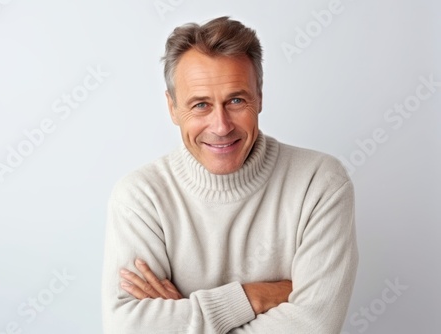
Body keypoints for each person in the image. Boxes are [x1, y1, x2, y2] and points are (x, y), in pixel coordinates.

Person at [102, 16, 358, 333]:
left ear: (259, 97)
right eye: (200, 105)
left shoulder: (319, 184)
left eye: (236, 100)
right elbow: (126, 328)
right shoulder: (140, 198)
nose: (221, 126)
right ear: (172, 108)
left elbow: (315, 326)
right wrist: (252, 297)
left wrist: (184, 316)